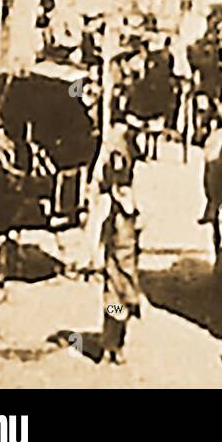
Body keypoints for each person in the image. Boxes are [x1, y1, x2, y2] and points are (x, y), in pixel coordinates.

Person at [93, 125, 142, 365]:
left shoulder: (128, 205)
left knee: (123, 297)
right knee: (114, 298)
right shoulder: (113, 206)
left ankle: (115, 343)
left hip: (126, 256)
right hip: (117, 256)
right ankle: (110, 344)